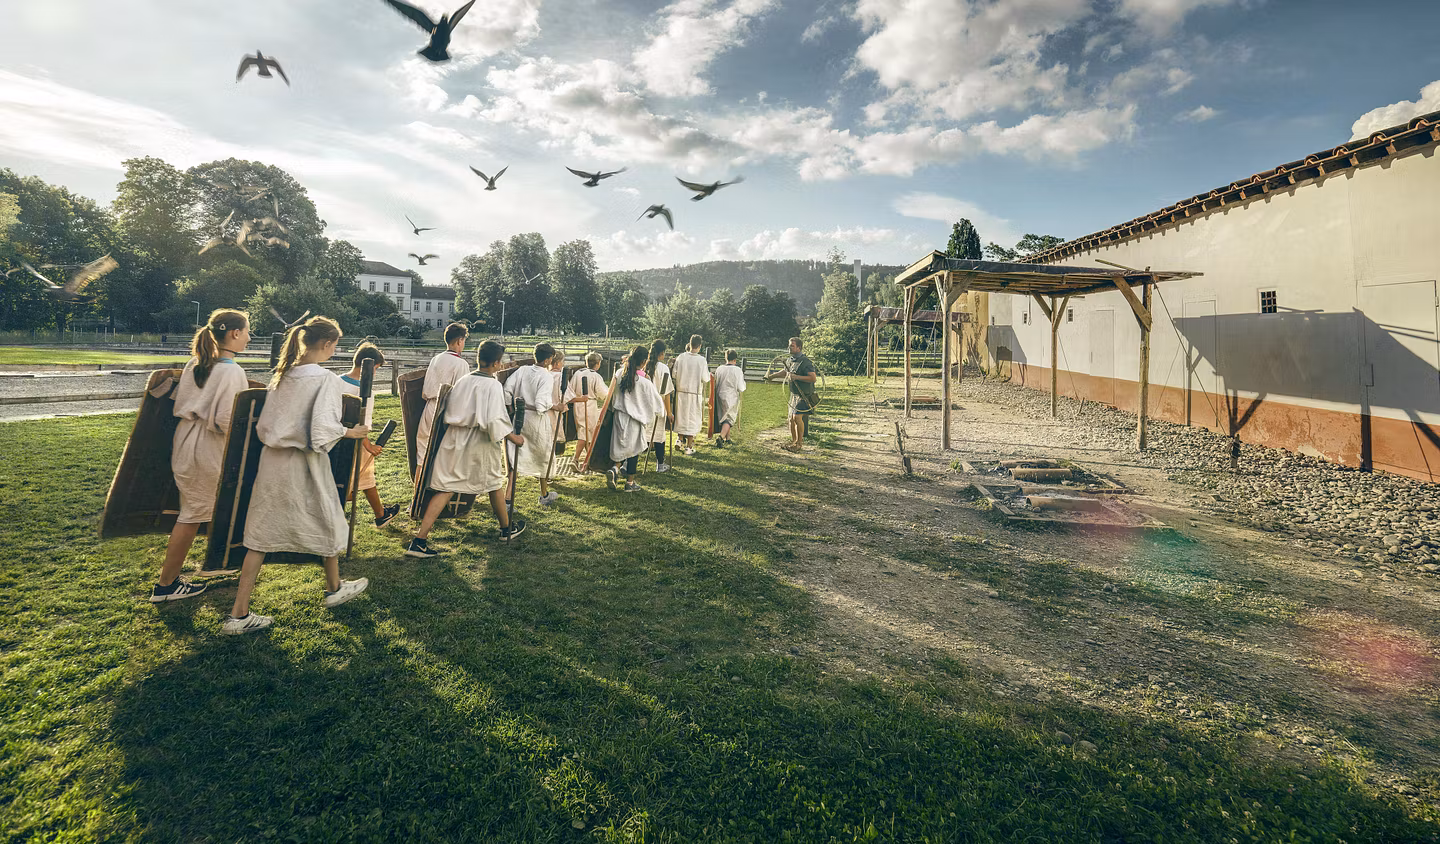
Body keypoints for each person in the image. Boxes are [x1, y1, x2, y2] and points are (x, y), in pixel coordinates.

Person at [222, 316, 371, 634]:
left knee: (261, 534)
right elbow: (321, 431)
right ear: (328, 344)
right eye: (335, 345)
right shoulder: (325, 379)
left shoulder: (283, 374)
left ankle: (242, 612)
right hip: (302, 463)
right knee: (327, 517)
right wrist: (352, 432)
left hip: (272, 461)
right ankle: (331, 589)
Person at [150, 309, 251, 601]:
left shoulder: (197, 361)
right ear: (234, 334)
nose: (248, 337)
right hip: (205, 445)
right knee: (193, 514)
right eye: (246, 331)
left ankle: (213, 564)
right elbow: (225, 420)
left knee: (204, 509)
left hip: (185, 439)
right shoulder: (231, 371)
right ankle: (166, 585)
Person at [405, 340, 526, 557]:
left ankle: (419, 540)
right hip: (478, 442)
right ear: (497, 363)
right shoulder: (493, 385)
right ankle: (506, 528)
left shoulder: (463, 380)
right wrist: (513, 437)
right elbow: (495, 420)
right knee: (494, 484)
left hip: (453, 440)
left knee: (446, 488)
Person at [340, 341, 400, 528]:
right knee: (356, 481)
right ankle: (378, 514)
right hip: (356, 442)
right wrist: (369, 446)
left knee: (365, 480)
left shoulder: (335, 381)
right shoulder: (366, 392)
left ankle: (381, 514)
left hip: (336, 439)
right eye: (377, 369)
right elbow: (362, 425)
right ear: (372, 366)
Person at [504, 342, 562, 506]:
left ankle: (509, 498)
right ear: (548, 359)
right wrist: (556, 406)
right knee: (543, 456)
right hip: (537, 419)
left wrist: (511, 407)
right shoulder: (546, 376)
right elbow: (541, 403)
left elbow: (507, 390)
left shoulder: (523, 370)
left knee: (517, 456)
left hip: (520, 418)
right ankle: (543, 495)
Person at [605, 345, 664, 492]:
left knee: (621, 446)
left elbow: (610, 394)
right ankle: (630, 483)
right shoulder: (644, 382)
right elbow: (655, 402)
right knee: (634, 450)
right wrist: (660, 411)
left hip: (620, 416)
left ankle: (615, 468)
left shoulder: (619, 374)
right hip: (635, 420)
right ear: (644, 361)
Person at [415, 322, 471, 463]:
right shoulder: (461, 364)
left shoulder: (436, 359)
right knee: (443, 457)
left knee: (422, 454)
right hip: (445, 410)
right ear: (460, 340)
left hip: (428, 408)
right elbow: (462, 394)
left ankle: (418, 485)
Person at [564, 352, 607, 470]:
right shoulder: (595, 376)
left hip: (578, 404)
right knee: (585, 431)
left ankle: (590, 459)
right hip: (589, 404)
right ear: (597, 364)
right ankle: (576, 459)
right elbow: (603, 393)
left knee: (586, 431)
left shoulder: (578, 373)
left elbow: (570, 389)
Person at [670, 333, 710, 456]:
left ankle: (679, 439)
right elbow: (705, 378)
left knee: (681, 416)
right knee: (692, 418)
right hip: (694, 393)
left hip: (681, 392)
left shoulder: (681, 357)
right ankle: (688, 447)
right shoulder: (701, 360)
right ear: (700, 346)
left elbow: (674, 375)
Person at [779, 336, 817, 452]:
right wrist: (771, 376)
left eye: (792, 346)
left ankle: (800, 443)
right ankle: (794, 441)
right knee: (791, 419)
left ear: (799, 348)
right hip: (794, 394)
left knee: (797, 417)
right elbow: (786, 372)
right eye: (789, 345)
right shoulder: (790, 360)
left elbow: (813, 378)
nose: (789, 348)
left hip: (804, 395)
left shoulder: (806, 362)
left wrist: (797, 377)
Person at [645, 338, 675, 472]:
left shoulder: (644, 365)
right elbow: (666, 394)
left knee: (644, 433)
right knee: (659, 435)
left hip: (644, 406)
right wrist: (669, 412)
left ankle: (628, 464)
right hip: (658, 406)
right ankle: (660, 464)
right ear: (662, 353)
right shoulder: (663, 368)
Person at [711, 349, 747, 448]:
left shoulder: (720, 369)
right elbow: (741, 387)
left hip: (720, 395)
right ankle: (721, 437)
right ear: (735, 359)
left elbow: (716, 382)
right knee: (729, 419)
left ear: (725, 358)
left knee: (724, 416)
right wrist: (744, 385)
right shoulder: (737, 370)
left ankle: (728, 438)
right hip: (731, 396)